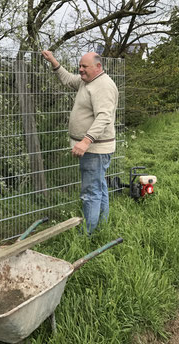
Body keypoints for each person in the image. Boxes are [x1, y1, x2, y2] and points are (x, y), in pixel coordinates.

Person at [41, 50, 118, 235]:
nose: (80, 69)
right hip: (92, 148)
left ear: (98, 67)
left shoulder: (103, 86)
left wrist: (85, 141)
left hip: (95, 149)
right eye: (80, 66)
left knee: (91, 192)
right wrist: (53, 61)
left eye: (85, 66)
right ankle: (101, 227)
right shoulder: (87, 82)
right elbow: (68, 79)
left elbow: (104, 117)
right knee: (99, 187)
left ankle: (87, 235)